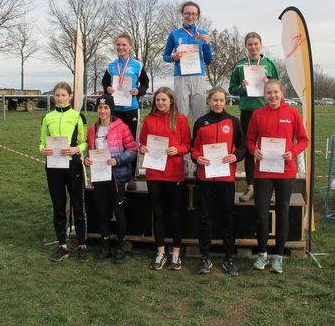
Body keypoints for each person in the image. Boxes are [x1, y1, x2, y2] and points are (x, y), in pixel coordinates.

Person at [246, 80, 308, 274]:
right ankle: (263, 254)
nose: (272, 96)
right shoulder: (257, 114)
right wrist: (254, 150)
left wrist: (293, 152)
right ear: (264, 95)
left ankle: (279, 257)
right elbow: (249, 139)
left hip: (285, 170)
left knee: (283, 212)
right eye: (268, 93)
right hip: (263, 171)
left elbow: (303, 140)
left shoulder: (292, 113)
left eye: (275, 92)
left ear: (282, 93)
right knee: (261, 214)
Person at [192, 87, 246, 276]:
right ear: (209, 101)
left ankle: (228, 258)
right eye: (215, 100)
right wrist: (198, 158)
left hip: (225, 178)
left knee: (227, 217)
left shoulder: (234, 122)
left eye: (221, 100)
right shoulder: (200, 122)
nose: (218, 103)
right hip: (205, 178)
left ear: (226, 101)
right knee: (205, 217)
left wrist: (235, 156)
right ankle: (205, 257)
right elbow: (194, 149)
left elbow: (242, 147)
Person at [139, 87, 191, 271]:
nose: (160, 103)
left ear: (171, 101)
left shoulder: (181, 119)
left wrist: (178, 150)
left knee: (175, 214)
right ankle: (160, 251)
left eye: (164, 100)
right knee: (158, 213)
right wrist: (143, 148)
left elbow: (188, 144)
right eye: (157, 100)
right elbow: (142, 142)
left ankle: (175, 252)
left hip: (174, 173)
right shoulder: (149, 119)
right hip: (154, 173)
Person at [85, 94, 137, 264]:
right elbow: (90, 150)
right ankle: (105, 246)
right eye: (100, 108)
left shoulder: (121, 127)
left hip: (117, 177)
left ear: (111, 109)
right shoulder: (92, 129)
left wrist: (118, 160)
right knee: (102, 212)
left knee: (119, 212)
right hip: (100, 176)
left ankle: (120, 248)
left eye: (106, 107)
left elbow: (132, 150)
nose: (102, 111)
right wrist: (87, 159)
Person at [39, 81, 88, 262]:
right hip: (53, 166)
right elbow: (42, 142)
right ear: (54, 96)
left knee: (78, 205)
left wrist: (77, 150)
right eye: (57, 95)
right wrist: (43, 149)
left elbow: (85, 142)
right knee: (58, 206)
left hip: (72, 165)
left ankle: (82, 245)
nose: (60, 98)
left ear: (70, 96)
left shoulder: (77, 116)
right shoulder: (47, 117)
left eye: (63, 95)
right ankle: (62, 245)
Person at [228, 32, 278, 202]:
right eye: (250, 44)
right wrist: (241, 88)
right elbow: (231, 89)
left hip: (267, 112)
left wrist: (268, 83)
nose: (253, 47)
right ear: (246, 46)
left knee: (268, 148)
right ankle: (250, 187)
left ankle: (268, 190)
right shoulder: (239, 66)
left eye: (256, 43)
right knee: (250, 150)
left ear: (261, 44)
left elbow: (278, 87)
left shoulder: (269, 64)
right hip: (248, 112)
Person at [102, 33, 149, 190]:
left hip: (131, 108)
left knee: (132, 143)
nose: (121, 47)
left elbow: (145, 83)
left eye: (124, 45)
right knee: (115, 141)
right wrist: (107, 89)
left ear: (130, 46)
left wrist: (138, 90)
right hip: (115, 109)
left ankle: (132, 176)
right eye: (118, 45)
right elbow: (104, 83)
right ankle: (115, 172)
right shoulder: (111, 66)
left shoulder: (137, 65)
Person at [163, 1, 213, 122]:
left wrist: (207, 44)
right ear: (182, 14)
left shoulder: (203, 34)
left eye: (193, 14)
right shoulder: (174, 34)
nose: (190, 16)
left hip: (198, 77)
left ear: (197, 16)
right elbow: (165, 56)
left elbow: (208, 60)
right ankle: (182, 140)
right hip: (181, 77)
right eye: (187, 13)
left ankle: (198, 140)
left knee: (200, 115)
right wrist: (173, 57)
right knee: (181, 115)